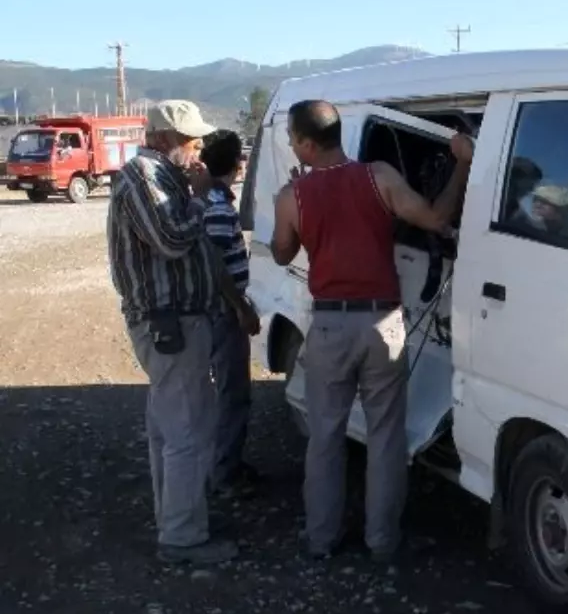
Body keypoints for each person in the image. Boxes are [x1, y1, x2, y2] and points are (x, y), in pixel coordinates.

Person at [269, 99, 474, 562]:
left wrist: (295, 217)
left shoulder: (291, 197)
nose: (290, 147)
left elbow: (282, 254)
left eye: (291, 140)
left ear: (305, 142)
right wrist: (462, 165)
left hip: (330, 325)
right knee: (386, 435)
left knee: (325, 436)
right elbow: (437, 219)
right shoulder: (379, 176)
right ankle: (382, 541)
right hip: (383, 324)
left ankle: (321, 540)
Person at [107, 99, 242, 565]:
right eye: (190, 139)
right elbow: (171, 240)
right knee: (185, 430)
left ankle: (181, 517)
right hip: (170, 321)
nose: (198, 147)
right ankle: (183, 536)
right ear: (164, 140)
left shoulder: (164, 175)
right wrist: (202, 197)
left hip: (178, 320)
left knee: (171, 427)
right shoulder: (145, 176)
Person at [199, 129, 262, 497]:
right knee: (232, 392)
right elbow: (218, 268)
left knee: (225, 390)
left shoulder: (210, 201)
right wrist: (242, 308)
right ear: (238, 165)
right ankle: (225, 473)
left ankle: (225, 463)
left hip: (218, 311)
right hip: (225, 313)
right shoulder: (220, 210)